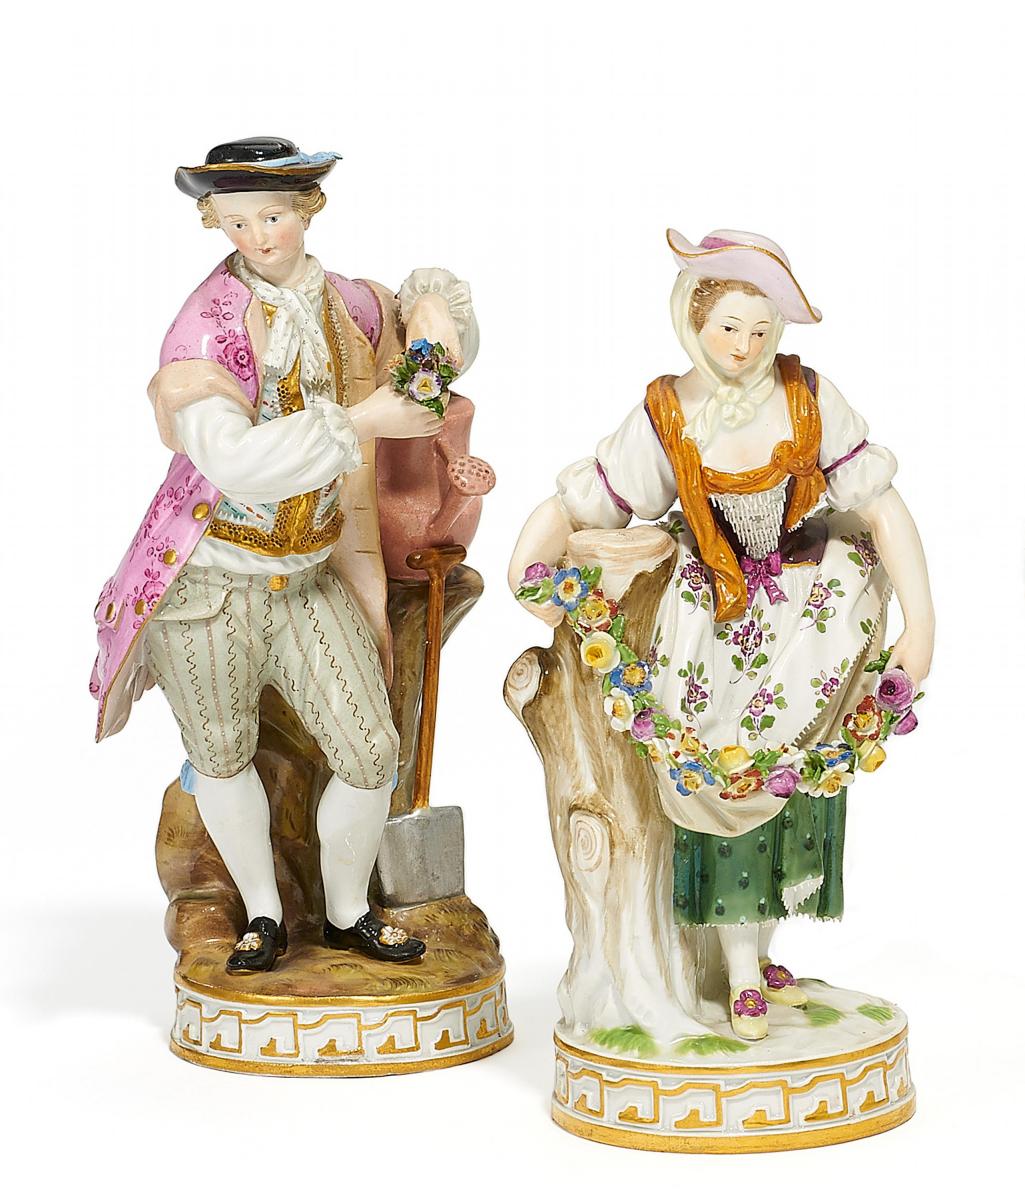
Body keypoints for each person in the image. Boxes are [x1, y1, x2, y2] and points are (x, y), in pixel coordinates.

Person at [509, 230, 934, 1039]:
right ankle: (733, 968)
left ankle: (760, 948)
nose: (743, 347)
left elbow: (879, 503)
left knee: (792, 771)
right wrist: (527, 555)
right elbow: (595, 498)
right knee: (721, 776)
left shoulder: (807, 397)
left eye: (760, 330)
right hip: (710, 617)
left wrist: (922, 622)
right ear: (692, 320)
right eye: (728, 327)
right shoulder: (667, 412)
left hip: (806, 606)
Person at [92, 138, 476, 974]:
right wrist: (363, 422)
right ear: (213, 223)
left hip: (308, 574)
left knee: (370, 752)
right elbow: (234, 461)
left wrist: (433, 310)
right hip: (210, 581)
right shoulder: (204, 329)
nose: (258, 237)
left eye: (273, 216)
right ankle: (262, 911)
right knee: (222, 756)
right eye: (236, 222)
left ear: (308, 210)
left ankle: (345, 911)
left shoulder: (348, 305)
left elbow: (429, 347)